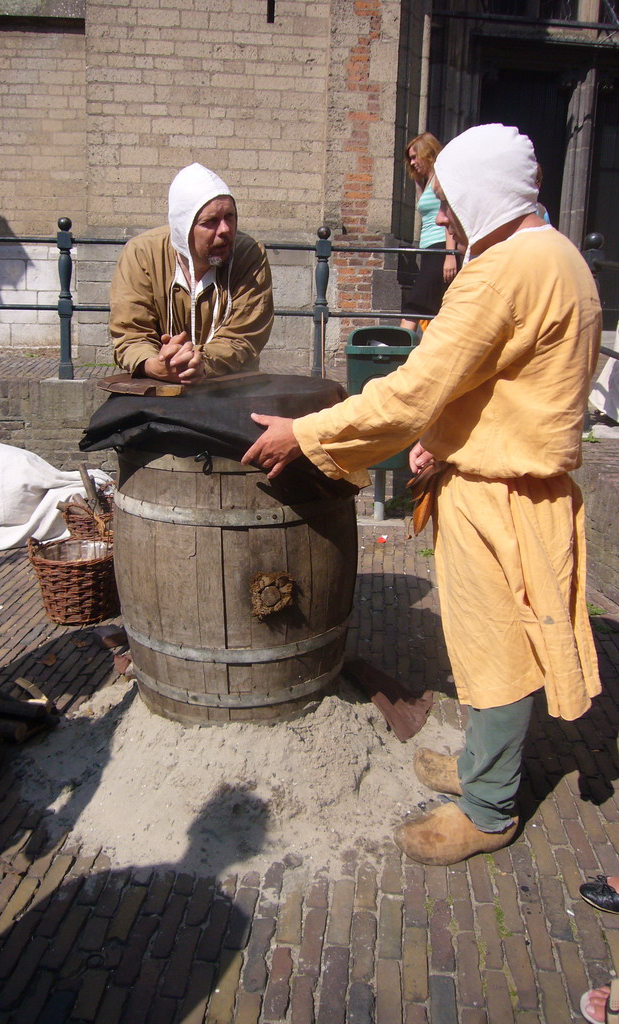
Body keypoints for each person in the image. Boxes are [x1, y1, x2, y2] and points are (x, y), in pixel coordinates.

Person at [241, 123, 602, 866]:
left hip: (498, 495)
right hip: (520, 483)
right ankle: (483, 770)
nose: (445, 219)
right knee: (492, 639)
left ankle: (489, 808)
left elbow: (409, 390)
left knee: (497, 648)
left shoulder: (503, 271)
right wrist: (443, 436)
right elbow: (497, 381)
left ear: (480, 192)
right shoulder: (558, 256)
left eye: (448, 202)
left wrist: (307, 435)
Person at [109, 162, 274, 385]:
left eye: (230, 217)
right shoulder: (141, 254)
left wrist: (200, 362)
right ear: (183, 227)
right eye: (211, 222)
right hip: (158, 384)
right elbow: (131, 333)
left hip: (230, 384)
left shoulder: (249, 254)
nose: (225, 230)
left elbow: (244, 336)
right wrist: (155, 363)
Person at [399, 132, 460, 332]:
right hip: (429, 249)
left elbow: (450, 212)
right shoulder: (428, 180)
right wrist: (418, 179)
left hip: (440, 248)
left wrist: (450, 255)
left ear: (428, 153)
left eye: (416, 156)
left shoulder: (442, 178)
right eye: (410, 158)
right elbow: (424, 208)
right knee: (431, 304)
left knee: (416, 302)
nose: (413, 162)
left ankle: (398, 348)